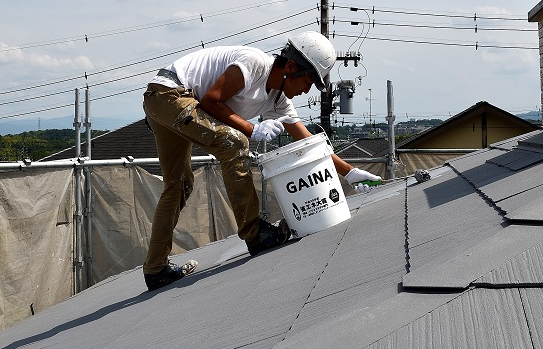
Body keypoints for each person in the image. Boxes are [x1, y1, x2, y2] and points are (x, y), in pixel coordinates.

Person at [141, 31, 378, 291]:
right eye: (308, 81)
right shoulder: (254, 64)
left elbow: (308, 142)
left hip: (167, 101)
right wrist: (251, 130)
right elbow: (211, 100)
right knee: (234, 142)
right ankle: (255, 234)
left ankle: (156, 269)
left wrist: (349, 172)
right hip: (168, 94)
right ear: (290, 67)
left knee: (179, 183)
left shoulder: (278, 100)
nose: (306, 90)